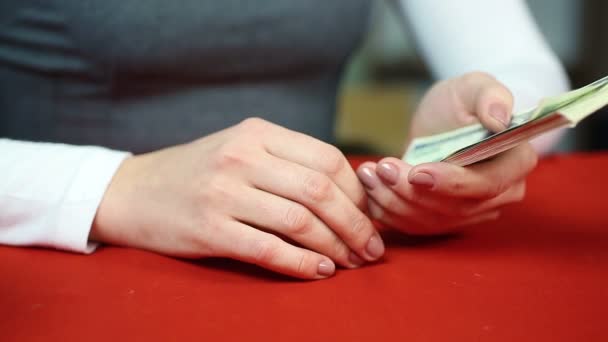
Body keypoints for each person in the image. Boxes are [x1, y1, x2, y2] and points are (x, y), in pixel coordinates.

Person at [0, 0, 568, 279]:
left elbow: (514, 61)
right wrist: (118, 189)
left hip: (315, 263)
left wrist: (480, 135)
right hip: (64, 268)